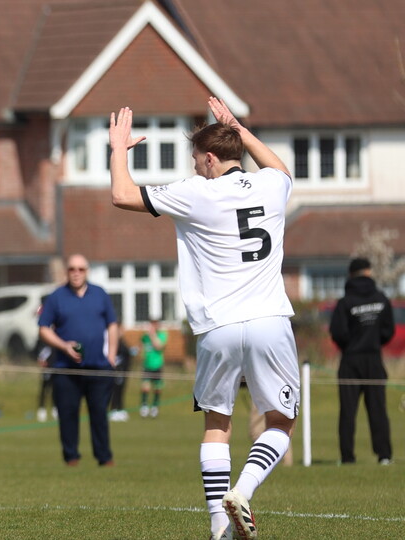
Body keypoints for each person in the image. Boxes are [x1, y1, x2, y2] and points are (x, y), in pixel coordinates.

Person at [110, 97, 299, 540]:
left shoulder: (195, 193)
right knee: (281, 422)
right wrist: (238, 127)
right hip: (271, 320)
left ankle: (219, 526)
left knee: (217, 425)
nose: (196, 169)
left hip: (217, 328)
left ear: (211, 158)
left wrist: (119, 148)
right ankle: (244, 491)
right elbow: (282, 170)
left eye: (198, 161)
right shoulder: (272, 187)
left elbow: (121, 195)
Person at [38, 253, 119, 467]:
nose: (76, 273)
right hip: (66, 369)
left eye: (81, 269)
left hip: (99, 368)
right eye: (72, 269)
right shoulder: (56, 297)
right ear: (66, 271)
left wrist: (111, 355)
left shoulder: (100, 294)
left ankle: (104, 457)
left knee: (99, 415)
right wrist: (63, 346)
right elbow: (43, 328)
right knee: (68, 414)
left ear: (87, 271)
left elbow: (112, 325)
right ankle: (71, 457)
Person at [329, 257, 395, 465]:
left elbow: (338, 333)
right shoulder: (382, 298)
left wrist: (352, 345)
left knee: (348, 411)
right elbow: (388, 330)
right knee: (378, 409)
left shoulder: (345, 302)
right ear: (369, 272)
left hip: (350, 360)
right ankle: (384, 456)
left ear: (351, 275)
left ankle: (347, 457)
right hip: (374, 359)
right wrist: (373, 342)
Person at [139, 319, 167, 418]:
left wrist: (152, 335)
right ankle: (144, 406)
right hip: (147, 365)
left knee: (157, 388)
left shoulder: (162, 335)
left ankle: (155, 407)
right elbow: (141, 346)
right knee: (145, 387)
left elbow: (158, 346)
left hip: (157, 365)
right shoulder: (145, 337)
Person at [108, 336, 132, 422]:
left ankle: (120, 409)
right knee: (113, 390)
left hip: (121, 372)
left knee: (120, 390)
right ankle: (114, 409)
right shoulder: (110, 345)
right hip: (114, 372)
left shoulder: (123, 347)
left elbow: (128, 358)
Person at [35, 344, 55, 422]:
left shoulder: (57, 347)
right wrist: (43, 363)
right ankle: (41, 410)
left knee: (55, 391)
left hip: (56, 371)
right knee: (44, 390)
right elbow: (41, 358)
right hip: (47, 372)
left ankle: (55, 409)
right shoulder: (47, 348)